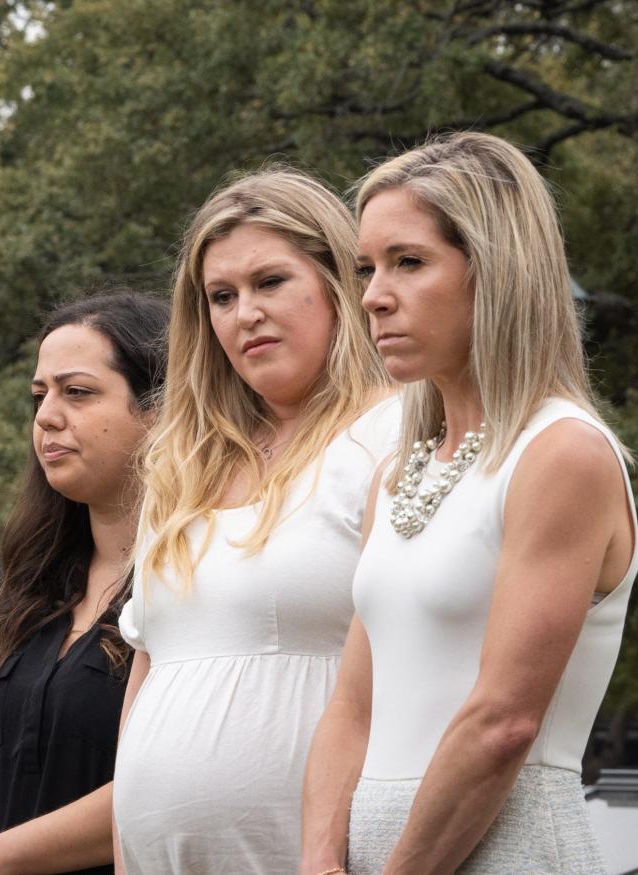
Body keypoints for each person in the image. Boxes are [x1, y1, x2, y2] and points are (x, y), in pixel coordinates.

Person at [300, 132, 638, 875]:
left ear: (495, 271)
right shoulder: (396, 472)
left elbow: (503, 722)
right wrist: (322, 858)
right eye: (367, 268)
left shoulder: (563, 453)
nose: (372, 295)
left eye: (408, 262)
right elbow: (351, 706)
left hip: (510, 848)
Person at [112, 168, 397, 873]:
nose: (245, 314)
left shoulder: (394, 434)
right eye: (221, 296)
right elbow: (150, 668)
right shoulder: (182, 465)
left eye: (270, 281)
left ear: (338, 282)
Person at [0, 292, 169, 875]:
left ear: (160, 407)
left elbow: (177, 775)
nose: (46, 416)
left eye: (78, 392)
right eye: (39, 396)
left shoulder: (206, 585)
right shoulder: (12, 593)